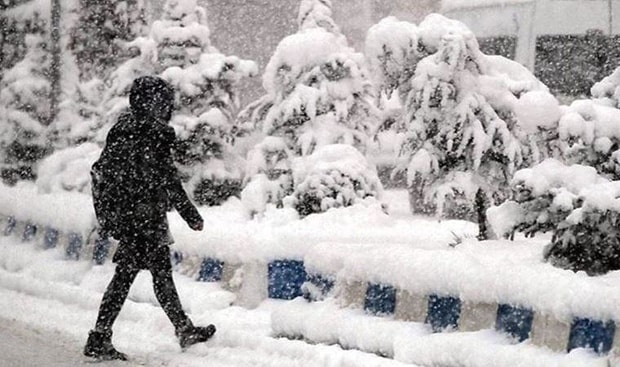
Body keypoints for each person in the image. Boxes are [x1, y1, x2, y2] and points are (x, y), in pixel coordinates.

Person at [84, 76, 216, 361]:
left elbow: (114, 173)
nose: (166, 106)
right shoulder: (152, 134)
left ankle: (181, 329)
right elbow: (168, 179)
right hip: (144, 219)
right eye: (163, 101)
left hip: (131, 216)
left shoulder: (122, 130)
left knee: (151, 275)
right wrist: (190, 214)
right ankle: (100, 335)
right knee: (135, 277)